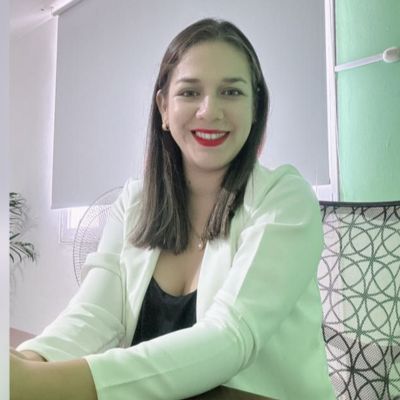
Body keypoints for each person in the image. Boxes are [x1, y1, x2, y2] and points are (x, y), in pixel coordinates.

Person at [10, 18, 336, 400]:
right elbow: (95, 315)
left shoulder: (285, 197)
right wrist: (28, 362)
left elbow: (231, 335)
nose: (209, 111)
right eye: (190, 92)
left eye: (231, 92)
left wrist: (40, 383)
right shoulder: (134, 203)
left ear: (255, 107)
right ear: (164, 107)